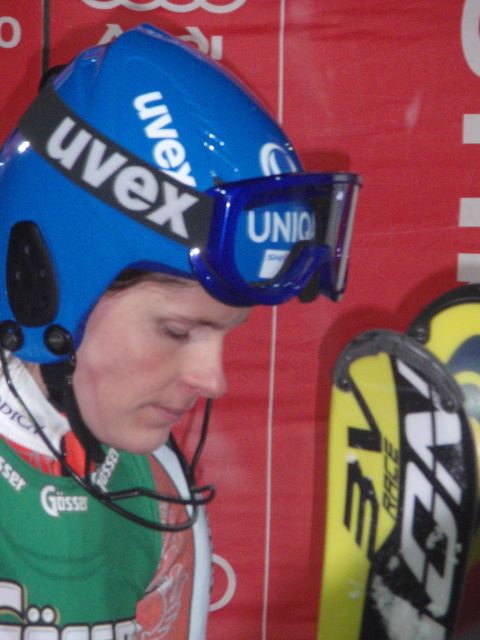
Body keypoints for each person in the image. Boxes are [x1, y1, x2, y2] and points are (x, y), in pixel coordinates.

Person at [0, 23, 361, 639]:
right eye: (176, 330)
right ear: (40, 283)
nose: (213, 380)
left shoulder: (157, 485)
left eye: (227, 332)